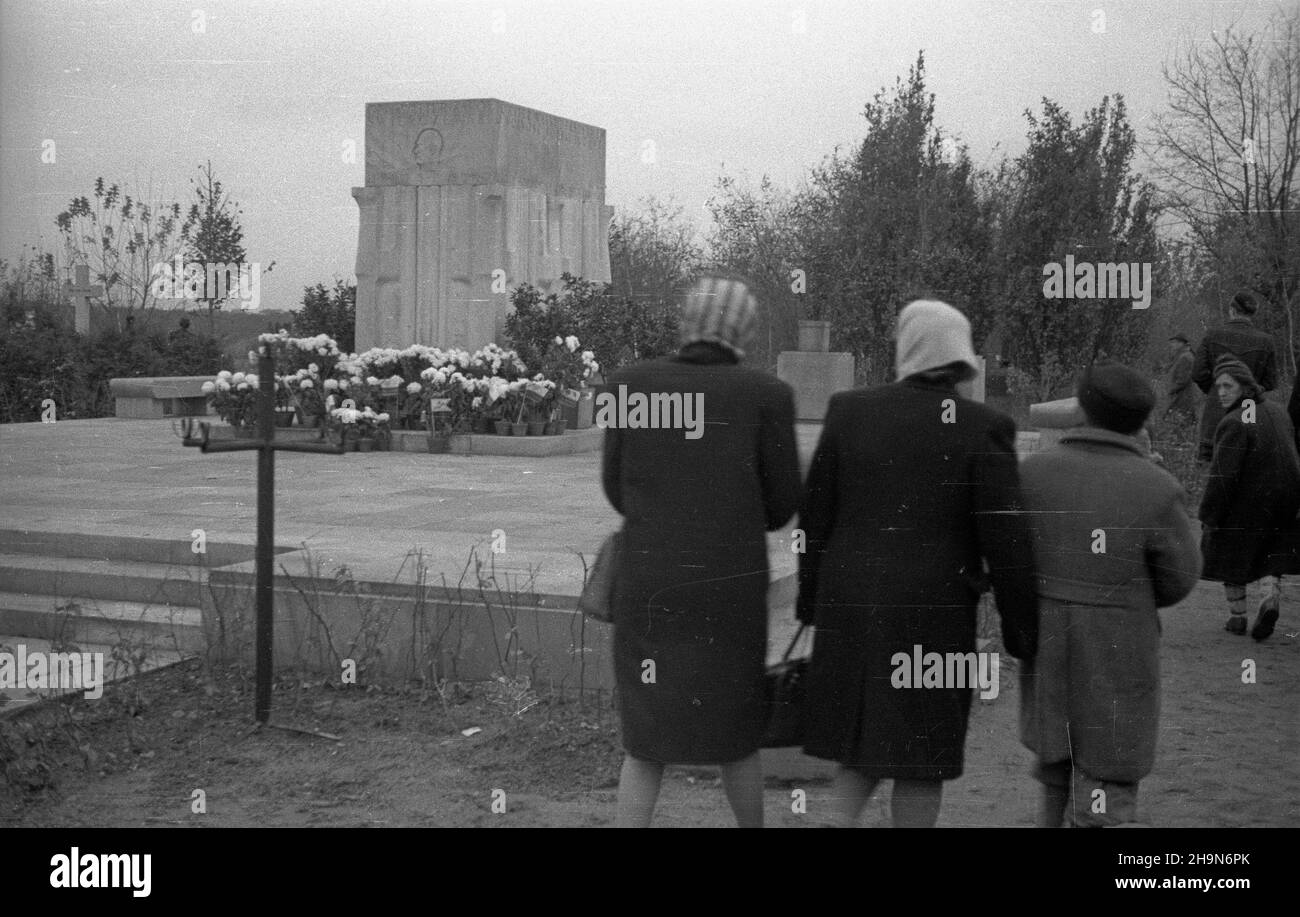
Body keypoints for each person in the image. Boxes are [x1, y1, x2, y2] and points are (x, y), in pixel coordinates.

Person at [796, 299, 1038, 828]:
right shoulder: (985, 428)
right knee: (920, 755)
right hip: (934, 613)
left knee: (860, 745)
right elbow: (1009, 543)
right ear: (961, 358)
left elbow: (814, 518)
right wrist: (1024, 634)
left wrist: (811, 604)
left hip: (851, 606)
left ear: (906, 348)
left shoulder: (849, 410)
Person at [602, 273, 801, 828]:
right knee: (736, 736)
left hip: (649, 582)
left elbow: (616, 490)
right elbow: (783, 505)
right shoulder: (768, 395)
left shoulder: (628, 385)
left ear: (686, 321)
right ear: (742, 330)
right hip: (729, 588)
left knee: (646, 741)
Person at [1018, 362, 1201, 827]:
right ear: (1140, 420)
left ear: (1081, 409)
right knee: (1107, 788)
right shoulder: (1157, 487)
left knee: (1054, 774)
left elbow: (1012, 559)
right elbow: (1180, 578)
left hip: (1049, 650)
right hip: (1120, 654)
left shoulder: (1033, 472)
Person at [1198, 357, 1300, 639]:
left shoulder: (1234, 421)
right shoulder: (1278, 411)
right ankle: (1269, 598)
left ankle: (1237, 616)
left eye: (1228, 385)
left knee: (1224, 539)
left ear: (1245, 386)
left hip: (1252, 503)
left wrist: (1209, 516)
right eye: (1218, 386)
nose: (1221, 392)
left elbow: (1223, 478)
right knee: (1270, 552)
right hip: (1288, 499)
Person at [1192, 291, 1278, 461]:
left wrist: (1215, 390)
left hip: (1215, 410)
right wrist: (1250, 391)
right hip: (1248, 410)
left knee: (1208, 467)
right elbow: (1270, 382)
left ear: (1232, 310)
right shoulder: (1266, 341)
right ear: (1252, 313)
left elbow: (1198, 373)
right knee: (1244, 463)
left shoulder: (1212, 335)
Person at [1163, 333, 1198, 422]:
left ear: (1181, 343)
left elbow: (1182, 381)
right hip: (1183, 398)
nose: (1172, 345)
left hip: (1182, 399)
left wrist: (1170, 391)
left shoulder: (1185, 357)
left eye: (1174, 342)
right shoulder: (1183, 356)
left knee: (1179, 425)